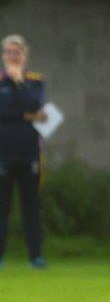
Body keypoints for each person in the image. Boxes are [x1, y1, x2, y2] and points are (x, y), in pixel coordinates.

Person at [0, 34, 47, 269]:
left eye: (17, 52)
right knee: (2, 207)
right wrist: (24, 116)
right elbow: (4, 112)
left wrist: (19, 83)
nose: (13, 56)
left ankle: (35, 256)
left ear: (24, 55)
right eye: (9, 52)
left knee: (31, 207)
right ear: (3, 56)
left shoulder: (34, 82)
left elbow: (35, 107)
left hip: (29, 153)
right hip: (3, 153)